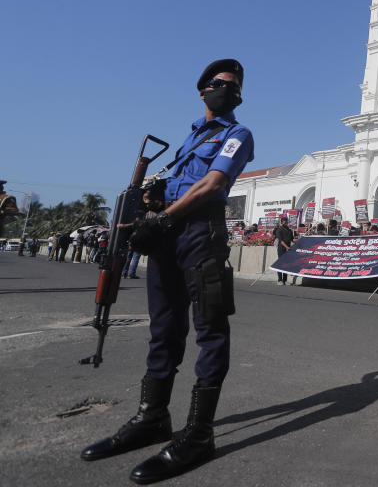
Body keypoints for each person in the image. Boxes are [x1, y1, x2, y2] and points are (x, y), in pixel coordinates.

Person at [81, 58, 254, 483]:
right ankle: (152, 418)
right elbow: (181, 184)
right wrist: (154, 204)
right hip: (169, 234)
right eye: (217, 83)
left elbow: (212, 185)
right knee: (164, 328)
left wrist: (165, 217)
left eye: (233, 86)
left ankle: (198, 434)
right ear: (202, 91)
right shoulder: (189, 137)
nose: (225, 89)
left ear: (239, 96)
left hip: (200, 233)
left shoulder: (237, 134)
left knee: (210, 329)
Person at [272, 216, 293, 286]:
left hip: (288, 249)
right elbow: (281, 241)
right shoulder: (279, 230)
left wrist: (301, 239)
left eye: (286, 221)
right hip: (282, 249)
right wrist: (287, 247)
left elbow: (292, 240)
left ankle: (285, 280)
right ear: (281, 222)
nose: (285, 222)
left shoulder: (289, 230)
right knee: (280, 264)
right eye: (284, 221)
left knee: (286, 264)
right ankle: (279, 280)